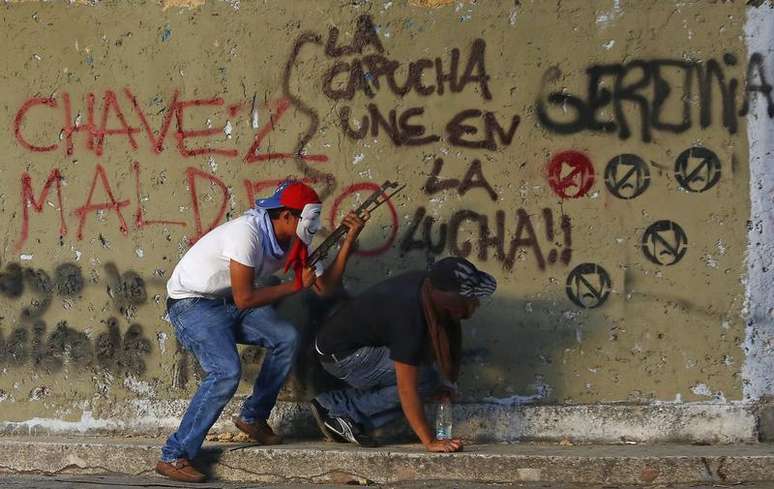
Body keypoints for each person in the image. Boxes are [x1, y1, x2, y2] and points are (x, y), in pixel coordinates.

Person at [156, 180, 368, 483]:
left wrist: (348, 241)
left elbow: (325, 288)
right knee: (226, 372)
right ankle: (174, 455)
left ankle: (253, 417)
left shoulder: (297, 242)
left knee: (286, 337)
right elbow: (245, 298)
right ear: (284, 216)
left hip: (228, 300)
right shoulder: (247, 234)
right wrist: (296, 285)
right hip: (193, 303)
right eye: (308, 219)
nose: (313, 225)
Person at [309, 256, 496, 453]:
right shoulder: (409, 316)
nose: (475, 303)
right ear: (445, 296)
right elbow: (407, 389)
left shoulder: (429, 287)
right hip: (341, 356)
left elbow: (451, 330)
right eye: (468, 297)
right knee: (424, 380)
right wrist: (429, 441)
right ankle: (340, 408)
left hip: (354, 345)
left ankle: (340, 405)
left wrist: (448, 382)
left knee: (428, 377)